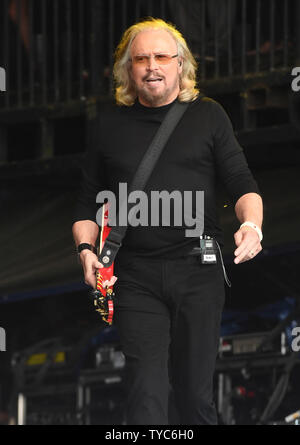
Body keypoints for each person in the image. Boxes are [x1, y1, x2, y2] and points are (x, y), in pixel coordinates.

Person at [72, 17, 263, 425]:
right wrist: (86, 250)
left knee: (195, 397)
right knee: (146, 394)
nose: (152, 66)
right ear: (127, 70)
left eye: (161, 56)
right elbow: (87, 202)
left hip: (198, 269)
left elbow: (243, 185)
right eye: (141, 59)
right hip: (136, 275)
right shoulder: (107, 125)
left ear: (181, 65)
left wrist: (252, 225)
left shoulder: (208, 115)